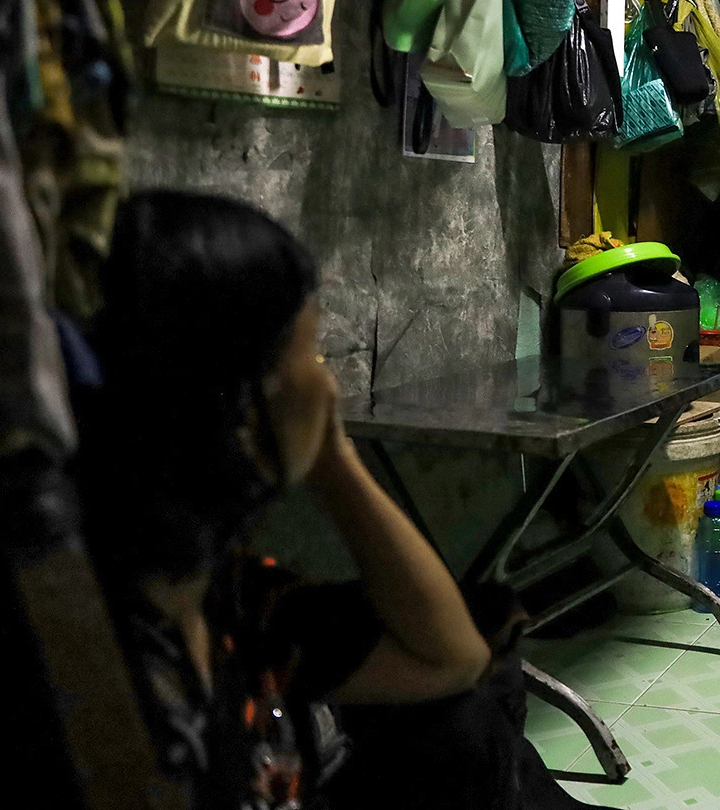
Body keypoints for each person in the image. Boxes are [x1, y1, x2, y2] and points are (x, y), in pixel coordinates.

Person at [74, 191, 587, 809]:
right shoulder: (108, 660)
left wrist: (332, 463)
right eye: (310, 358)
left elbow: (456, 658)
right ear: (239, 400)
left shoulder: (234, 597)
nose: (327, 381)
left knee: (468, 711)